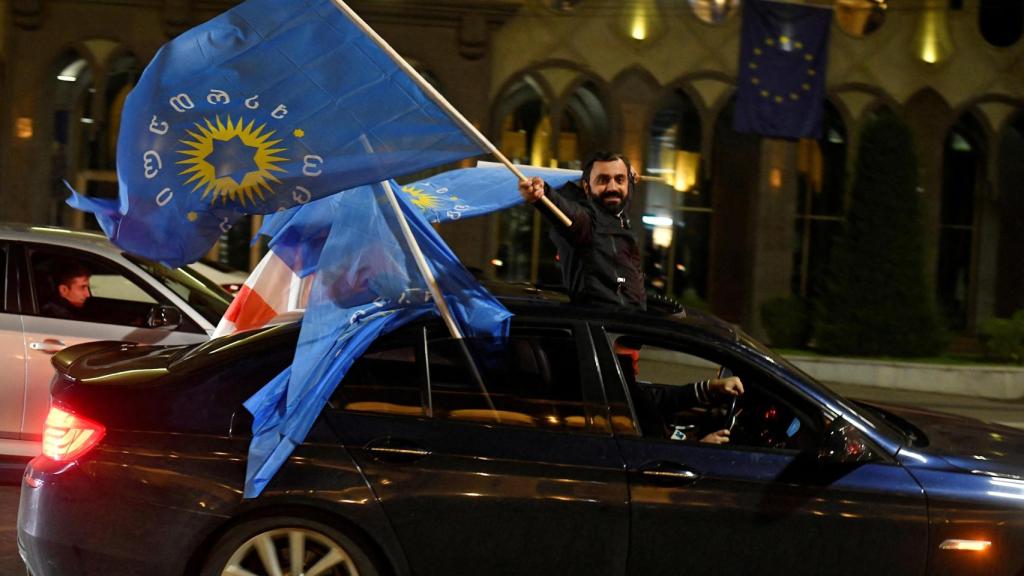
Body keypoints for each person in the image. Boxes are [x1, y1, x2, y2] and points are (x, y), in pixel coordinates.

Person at [518, 151, 646, 310]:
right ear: (586, 186)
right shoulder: (588, 222)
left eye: (619, 179)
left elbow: (624, 194)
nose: (613, 187)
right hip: (603, 327)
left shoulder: (617, 212)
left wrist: (630, 178)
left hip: (629, 323)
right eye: (603, 180)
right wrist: (543, 195)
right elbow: (569, 213)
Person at [615, 340, 743, 445]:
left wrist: (711, 386)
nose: (636, 371)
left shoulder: (627, 396)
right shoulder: (618, 409)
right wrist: (701, 447)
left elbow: (659, 399)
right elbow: (654, 457)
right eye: (633, 364)